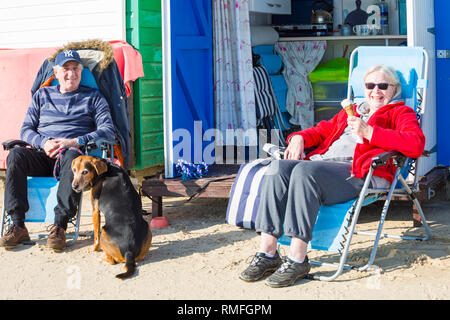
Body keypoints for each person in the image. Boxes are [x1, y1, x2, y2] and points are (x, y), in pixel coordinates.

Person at [239, 65, 425, 288]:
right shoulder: (354, 111)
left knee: (304, 171)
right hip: (323, 166)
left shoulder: (399, 113)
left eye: (383, 86)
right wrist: (298, 138)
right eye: (370, 85)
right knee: (276, 168)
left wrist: (369, 132)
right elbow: (320, 130)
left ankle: (298, 258)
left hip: (360, 172)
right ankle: (268, 253)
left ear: (393, 90)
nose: (376, 90)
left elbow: (415, 144)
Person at [0, 49, 115, 251]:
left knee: (72, 159)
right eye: (66, 69)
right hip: (42, 154)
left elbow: (107, 129)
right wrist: (43, 142)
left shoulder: (93, 97)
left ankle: (60, 226)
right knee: (16, 154)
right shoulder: (42, 95)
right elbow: (25, 129)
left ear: (81, 71)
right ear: (56, 72)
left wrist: (75, 141)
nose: (71, 73)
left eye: (76, 68)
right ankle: (17, 224)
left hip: (70, 156)